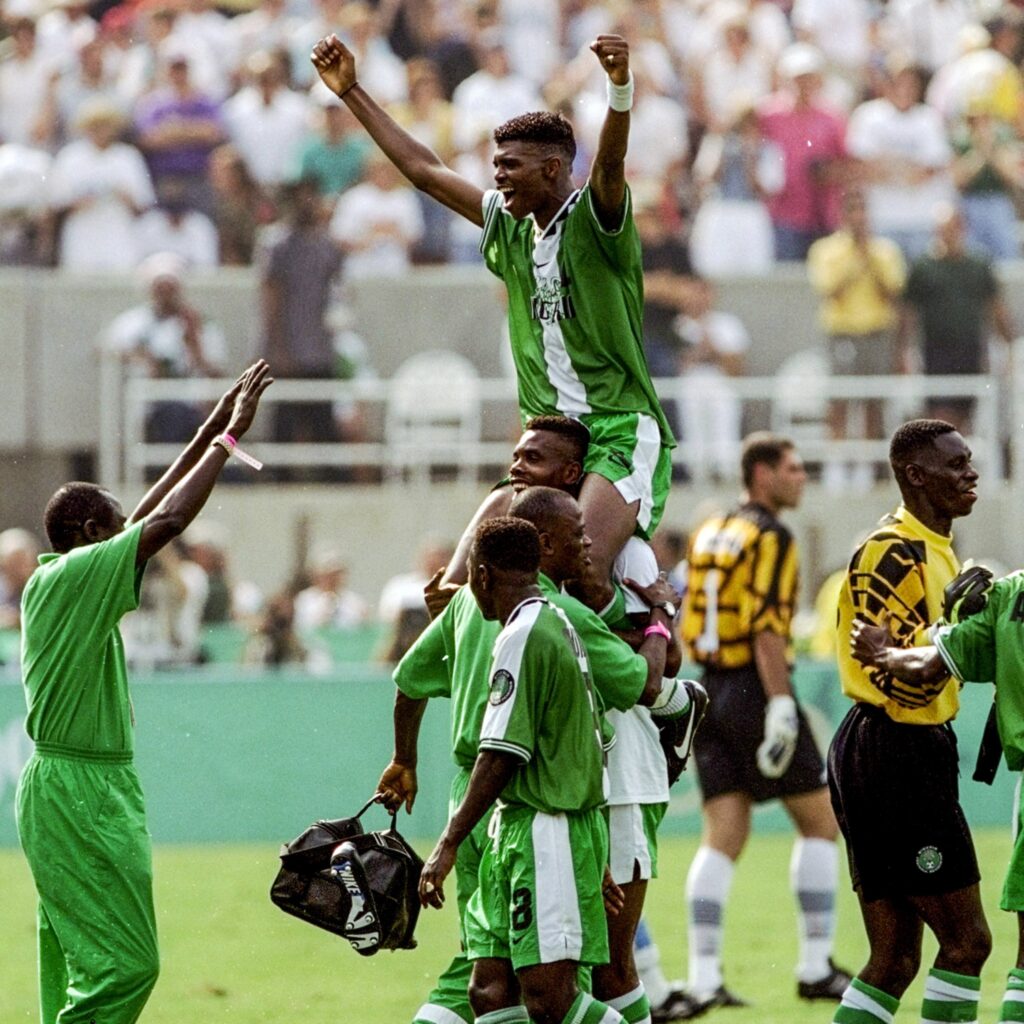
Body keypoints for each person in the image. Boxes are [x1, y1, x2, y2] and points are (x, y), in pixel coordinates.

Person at [311, 30, 676, 599]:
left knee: (578, 576)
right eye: (495, 165)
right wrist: (352, 91)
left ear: (552, 169)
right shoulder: (509, 227)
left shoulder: (594, 221)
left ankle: (651, 636)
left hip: (617, 428)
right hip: (547, 441)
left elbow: (610, 162)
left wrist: (620, 89)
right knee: (455, 591)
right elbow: (425, 171)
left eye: (510, 166)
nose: (498, 176)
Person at [15, 361, 271, 1024]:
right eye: (115, 525)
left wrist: (213, 424)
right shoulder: (73, 577)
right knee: (129, 966)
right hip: (78, 788)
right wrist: (228, 443)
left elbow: (154, 511)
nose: (130, 533)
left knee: (81, 961)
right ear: (89, 535)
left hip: (77, 784)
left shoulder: (68, 579)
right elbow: (169, 521)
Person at [409, 516, 663, 1024]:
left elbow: (500, 753)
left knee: (549, 998)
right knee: (488, 990)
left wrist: (448, 842)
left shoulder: (524, 634)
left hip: (545, 831)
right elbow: (590, 737)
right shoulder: (558, 622)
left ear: (483, 576)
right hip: (524, 828)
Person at [678, 432, 850, 1011]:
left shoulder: (709, 529)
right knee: (821, 822)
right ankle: (816, 965)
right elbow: (767, 627)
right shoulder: (771, 535)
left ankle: (703, 977)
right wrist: (779, 702)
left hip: (708, 685)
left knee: (723, 835)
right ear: (761, 474)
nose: (802, 478)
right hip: (755, 685)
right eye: (792, 469)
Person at [828, 418, 990, 1024]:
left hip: (900, 746)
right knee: (968, 942)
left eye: (969, 461)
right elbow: (895, 676)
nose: (971, 474)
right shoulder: (893, 550)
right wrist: (959, 630)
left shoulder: (936, 549)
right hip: (895, 748)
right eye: (956, 465)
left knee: (895, 958)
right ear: (916, 476)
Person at [850, 565, 1024, 1024]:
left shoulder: (1011, 593)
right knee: (950, 946)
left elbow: (934, 661)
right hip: (894, 749)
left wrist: (884, 652)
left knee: (913, 953)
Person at [806, 187, 906, 487]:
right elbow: (829, 290)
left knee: (872, 401)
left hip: (876, 331)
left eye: (863, 210)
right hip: (842, 332)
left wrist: (869, 259)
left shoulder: (884, 251)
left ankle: (865, 466)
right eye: (852, 210)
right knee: (839, 399)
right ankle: (837, 465)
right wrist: (854, 262)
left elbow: (892, 292)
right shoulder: (826, 250)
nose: (858, 217)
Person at [898, 202, 1016, 435]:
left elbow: (995, 307)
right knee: (940, 413)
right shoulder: (924, 266)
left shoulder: (978, 264)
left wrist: (1008, 345)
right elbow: (908, 313)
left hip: (970, 350)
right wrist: (902, 351)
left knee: (965, 414)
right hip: (936, 351)